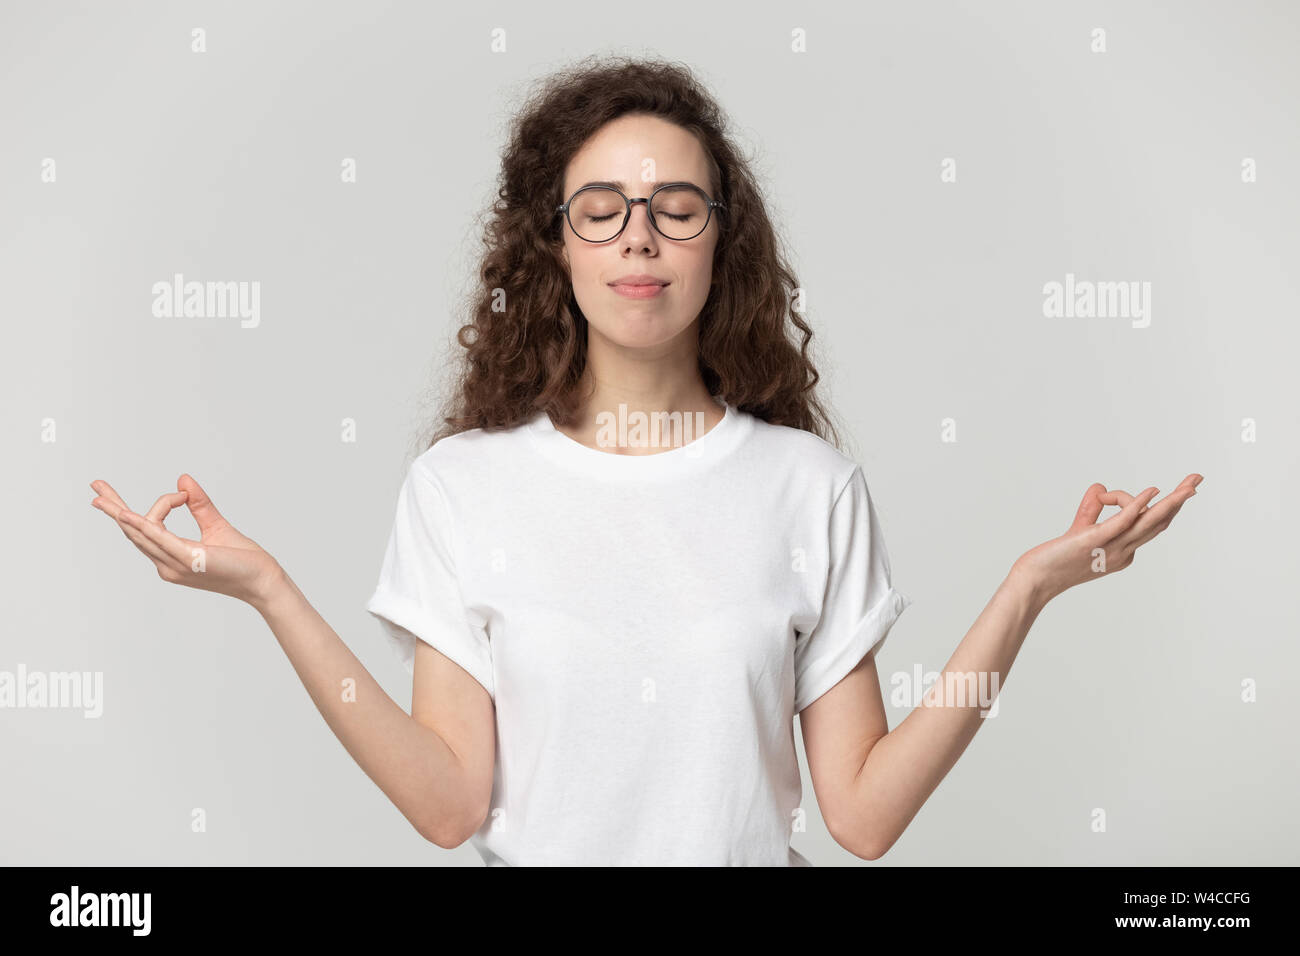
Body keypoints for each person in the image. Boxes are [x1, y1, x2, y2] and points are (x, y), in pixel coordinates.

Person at [90, 55, 1201, 866]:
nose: (638, 236)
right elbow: (447, 803)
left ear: (722, 241)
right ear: (555, 245)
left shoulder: (807, 488)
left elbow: (861, 815)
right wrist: (270, 591)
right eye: (601, 209)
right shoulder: (461, 487)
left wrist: (1026, 592)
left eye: (675, 208)